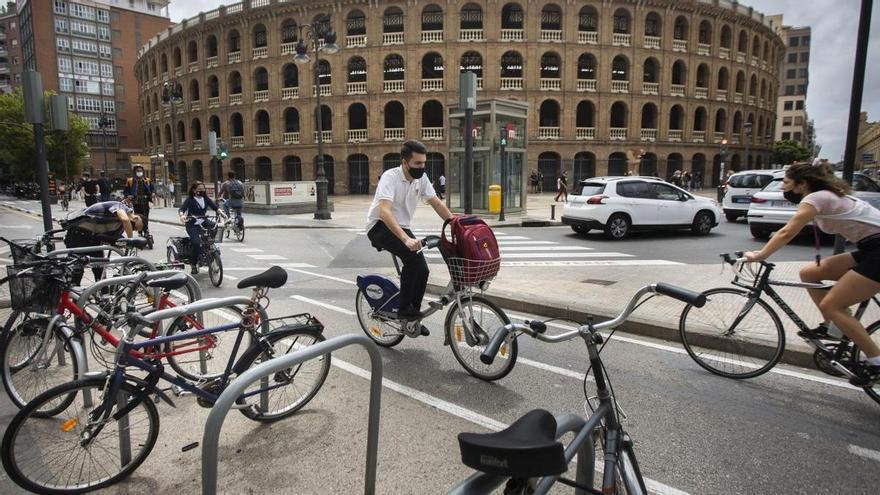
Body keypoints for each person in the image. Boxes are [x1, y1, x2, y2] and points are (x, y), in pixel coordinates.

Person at [745, 163, 880, 386]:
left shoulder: (816, 197)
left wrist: (760, 255)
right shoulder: (824, 196)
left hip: (877, 250)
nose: (783, 189)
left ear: (803, 184)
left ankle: (876, 362)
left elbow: (787, 231)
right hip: (869, 248)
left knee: (831, 305)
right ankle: (833, 328)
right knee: (809, 273)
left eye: (787, 183)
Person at [366, 140, 453, 331]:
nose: (422, 167)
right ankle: (405, 310)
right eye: (417, 164)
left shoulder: (421, 179)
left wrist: (454, 223)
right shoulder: (390, 177)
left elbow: (436, 202)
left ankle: (412, 316)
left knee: (423, 270)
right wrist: (405, 239)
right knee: (413, 261)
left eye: (424, 163)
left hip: (400, 226)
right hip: (379, 226)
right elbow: (385, 212)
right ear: (405, 163)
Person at [64, 200, 142, 284]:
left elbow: (110, 236)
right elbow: (125, 219)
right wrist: (130, 239)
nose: (130, 229)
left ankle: (102, 292)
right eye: (133, 227)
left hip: (92, 237)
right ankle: (73, 294)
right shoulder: (120, 206)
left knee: (99, 267)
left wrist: (122, 244)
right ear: (135, 218)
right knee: (77, 268)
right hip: (79, 233)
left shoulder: (117, 224)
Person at [178, 181, 219, 274]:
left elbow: (215, 207)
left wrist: (222, 213)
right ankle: (193, 264)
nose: (201, 191)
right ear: (194, 190)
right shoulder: (190, 199)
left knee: (214, 225)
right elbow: (182, 209)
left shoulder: (205, 198)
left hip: (203, 221)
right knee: (196, 243)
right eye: (199, 189)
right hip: (192, 223)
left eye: (203, 189)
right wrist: (182, 216)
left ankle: (210, 244)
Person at [124, 165, 153, 240]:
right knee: (138, 217)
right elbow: (126, 191)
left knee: (146, 216)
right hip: (136, 202)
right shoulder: (130, 181)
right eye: (138, 171)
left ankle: (146, 230)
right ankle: (140, 231)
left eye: (140, 171)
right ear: (135, 172)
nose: (139, 172)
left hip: (145, 201)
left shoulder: (147, 180)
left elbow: (152, 189)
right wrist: (128, 196)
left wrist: (151, 195)